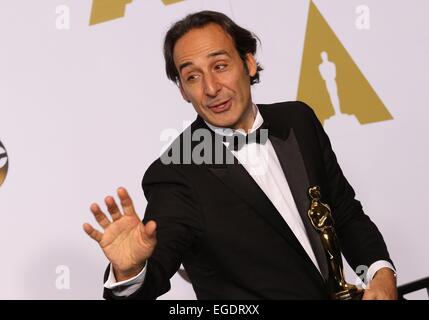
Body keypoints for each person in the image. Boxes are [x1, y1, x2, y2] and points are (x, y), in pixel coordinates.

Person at [83, 10, 397, 300]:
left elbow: (344, 214)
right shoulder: (176, 172)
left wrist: (380, 275)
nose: (210, 88)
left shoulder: (298, 121)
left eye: (220, 66)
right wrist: (128, 271)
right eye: (192, 76)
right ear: (182, 90)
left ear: (248, 63)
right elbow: (156, 270)